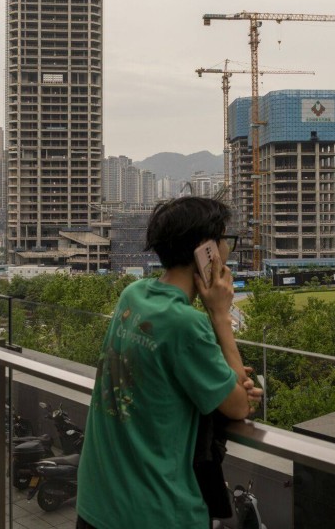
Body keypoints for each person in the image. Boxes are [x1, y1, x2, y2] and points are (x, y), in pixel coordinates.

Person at [76, 196, 261, 529]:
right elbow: (238, 407)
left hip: (98, 502)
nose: (229, 251)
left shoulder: (133, 295)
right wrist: (220, 316)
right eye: (226, 241)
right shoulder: (186, 324)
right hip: (156, 512)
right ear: (207, 253)